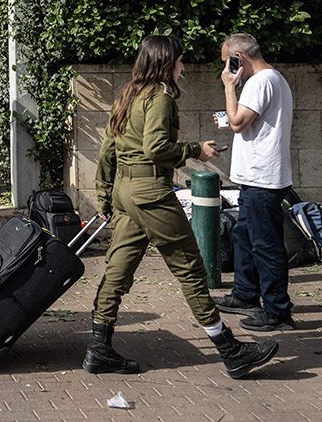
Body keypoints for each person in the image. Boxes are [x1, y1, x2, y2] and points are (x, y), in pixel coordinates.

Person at [87, 34, 278, 379]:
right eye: (179, 61)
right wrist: (194, 151)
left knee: (119, 268)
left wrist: (104, 197)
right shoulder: (159, 97)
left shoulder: (128, 94)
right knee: (191, 268)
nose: (183, 67)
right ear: (165, 62)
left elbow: (107, 151)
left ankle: (99, 346)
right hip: (151, 192)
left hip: (125, 193)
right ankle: (230, 350)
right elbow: (157, 148)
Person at [214, 33, 296, 332]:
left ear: (240, 58)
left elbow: (237, 122)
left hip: (263, 178)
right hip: (257, 177)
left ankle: (277, 310)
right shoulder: (274, 79)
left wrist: (228, 87)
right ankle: (246, 293)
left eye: (229, 62)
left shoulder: (260, 82)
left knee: (266, 245)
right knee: (244, 236)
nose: (227, 68)